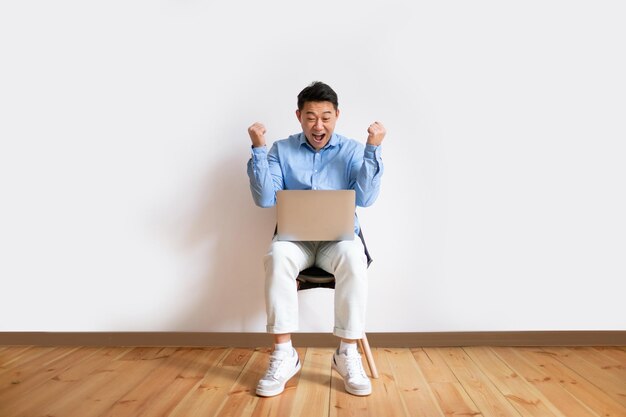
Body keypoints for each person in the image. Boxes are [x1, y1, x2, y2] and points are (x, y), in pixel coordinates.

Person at [246, 81, 385, 397]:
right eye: (310, 117)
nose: (318, 125)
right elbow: (266, 200)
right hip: (296, 242)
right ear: (299, 117)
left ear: (337, 115)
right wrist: (258, 148)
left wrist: (373, 148)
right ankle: (284, 354)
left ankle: (347, 353)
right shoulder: (282, 150)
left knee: (354, 255)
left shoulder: (351, 150)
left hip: (338, 242)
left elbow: (366, 199)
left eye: (325, 116)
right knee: (277, 255)